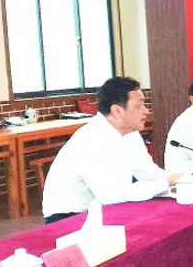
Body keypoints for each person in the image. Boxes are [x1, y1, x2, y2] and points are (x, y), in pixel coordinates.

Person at [42, 76, 182, 223]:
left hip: (103, 209)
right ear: (117, 111)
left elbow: (147, 172)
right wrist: (166, 183)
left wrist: (180, 181)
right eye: (139, 106)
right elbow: (112, 195)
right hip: (69, 217)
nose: (146, 111)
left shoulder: (130, 132)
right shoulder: (93, 138)